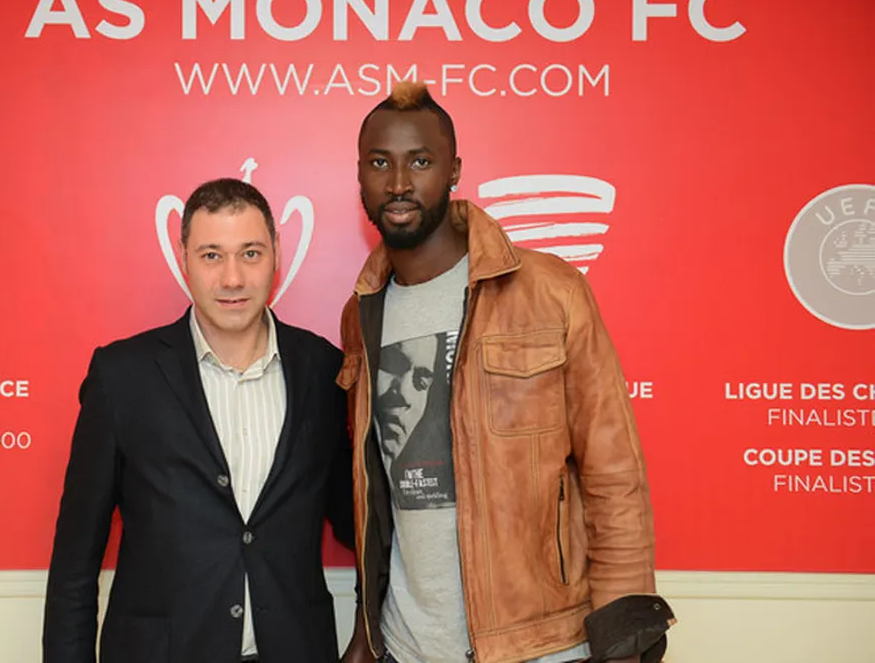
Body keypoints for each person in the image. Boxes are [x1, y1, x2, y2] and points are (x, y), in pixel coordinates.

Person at [337, 82, 674, 663]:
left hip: (539, 645)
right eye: (379, 163)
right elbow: (376, 493)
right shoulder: (361, 313)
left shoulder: (551, 291)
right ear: (361, 176)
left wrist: (625, 633)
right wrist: (368, 634)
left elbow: (613, 473)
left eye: (420, 162)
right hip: (405, 645)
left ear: (454, 171)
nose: (398, 184)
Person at [43, 177, 356, 663]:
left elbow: (357, 521)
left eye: (250, 253)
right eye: (212, 255)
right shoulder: (122, 376)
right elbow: (74, 565)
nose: (233, 278)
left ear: (276, 254)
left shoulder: (324, 370)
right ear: (184, 258)